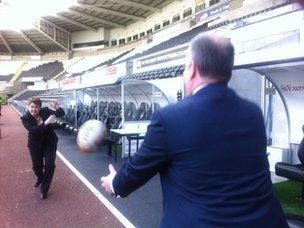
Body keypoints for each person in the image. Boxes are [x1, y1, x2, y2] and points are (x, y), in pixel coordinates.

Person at [101, 34, 288, 227]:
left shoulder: (170, 118)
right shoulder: (253, 114)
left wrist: (115, 184)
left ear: (192, 68)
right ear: (228, 71)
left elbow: (136, 170)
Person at [21, 97, 65, 199]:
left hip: (49, 142)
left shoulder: (45, 111)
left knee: (50, 165)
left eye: (36, 107)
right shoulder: (25, 118)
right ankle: (40, 178)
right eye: (32, 107)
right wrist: (46, 123)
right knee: (37, 167)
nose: (34, 109)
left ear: (40, 108)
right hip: (35, 145)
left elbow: (61, 114)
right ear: (28, 107)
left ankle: (44, 189)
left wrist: (58, 108)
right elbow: (33, 131)